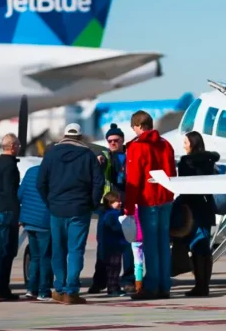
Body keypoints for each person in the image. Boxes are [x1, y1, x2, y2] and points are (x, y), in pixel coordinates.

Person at [37, 123, 104, 304]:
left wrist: (50, 202)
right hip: (79, 209)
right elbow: (99, 182)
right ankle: (71, 291)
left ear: (64, 136)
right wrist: (92, 203)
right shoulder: (88, 155)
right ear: (80, 138)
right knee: (75, 251)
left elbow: (40, 183)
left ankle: (59, 288)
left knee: (58, 250)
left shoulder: (51, 154)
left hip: (57, 209)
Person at [124, 111, 177, 300]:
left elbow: (134, 179)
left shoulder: (137, 147)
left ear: (137, 126)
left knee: (151, 244)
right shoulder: (165, 144)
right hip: (166, 198)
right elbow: (172, 172)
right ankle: (164, 285)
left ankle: (152, 285)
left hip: (149, 200)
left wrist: (129, 207)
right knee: (163, 242)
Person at [88, 123, 135, 294]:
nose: (113, 143)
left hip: (125, 206)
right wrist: (99, 160)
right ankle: (100, 281)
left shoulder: (129, 156)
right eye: (110, 141)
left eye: (116, 140)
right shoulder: (105, 156)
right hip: (107, 207)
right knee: (103, 247)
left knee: (128, 246)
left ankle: (128, 280)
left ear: (122, 140)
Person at [176, 131, 218, 296]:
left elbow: (184, 188)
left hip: (192, 210)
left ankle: (200, 286)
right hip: (206, 208)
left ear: (192, 144)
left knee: (196, 246)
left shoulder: (186, 163)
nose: (184, 145)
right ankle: (203, 284)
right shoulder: (209, 161)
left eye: (186, 142)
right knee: (204, 247)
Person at [0, 133, 21, 301]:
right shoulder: (11, 166)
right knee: (8, 252)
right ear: (13, 146)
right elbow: (12, 191)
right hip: (9, 211)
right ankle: (2, 288)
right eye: (18, 146)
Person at [18, 163, 52, 301]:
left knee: (34, 257)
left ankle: (31, 289)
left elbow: (20, 194)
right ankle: (44, 291)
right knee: (45, 257)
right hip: (44, 221)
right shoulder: (53, 173)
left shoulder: (30, 171)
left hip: (29, 221)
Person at [98, 191, 128, 297]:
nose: (119, 203)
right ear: (110, 203)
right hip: (113, 246)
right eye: (116, 201)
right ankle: (113, 288)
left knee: (113, 268)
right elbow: (115, 228)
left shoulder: (108, 214)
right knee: (113, 268)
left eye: (120, 201)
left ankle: (114, 287)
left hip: (113, 245)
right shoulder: (112, 215)